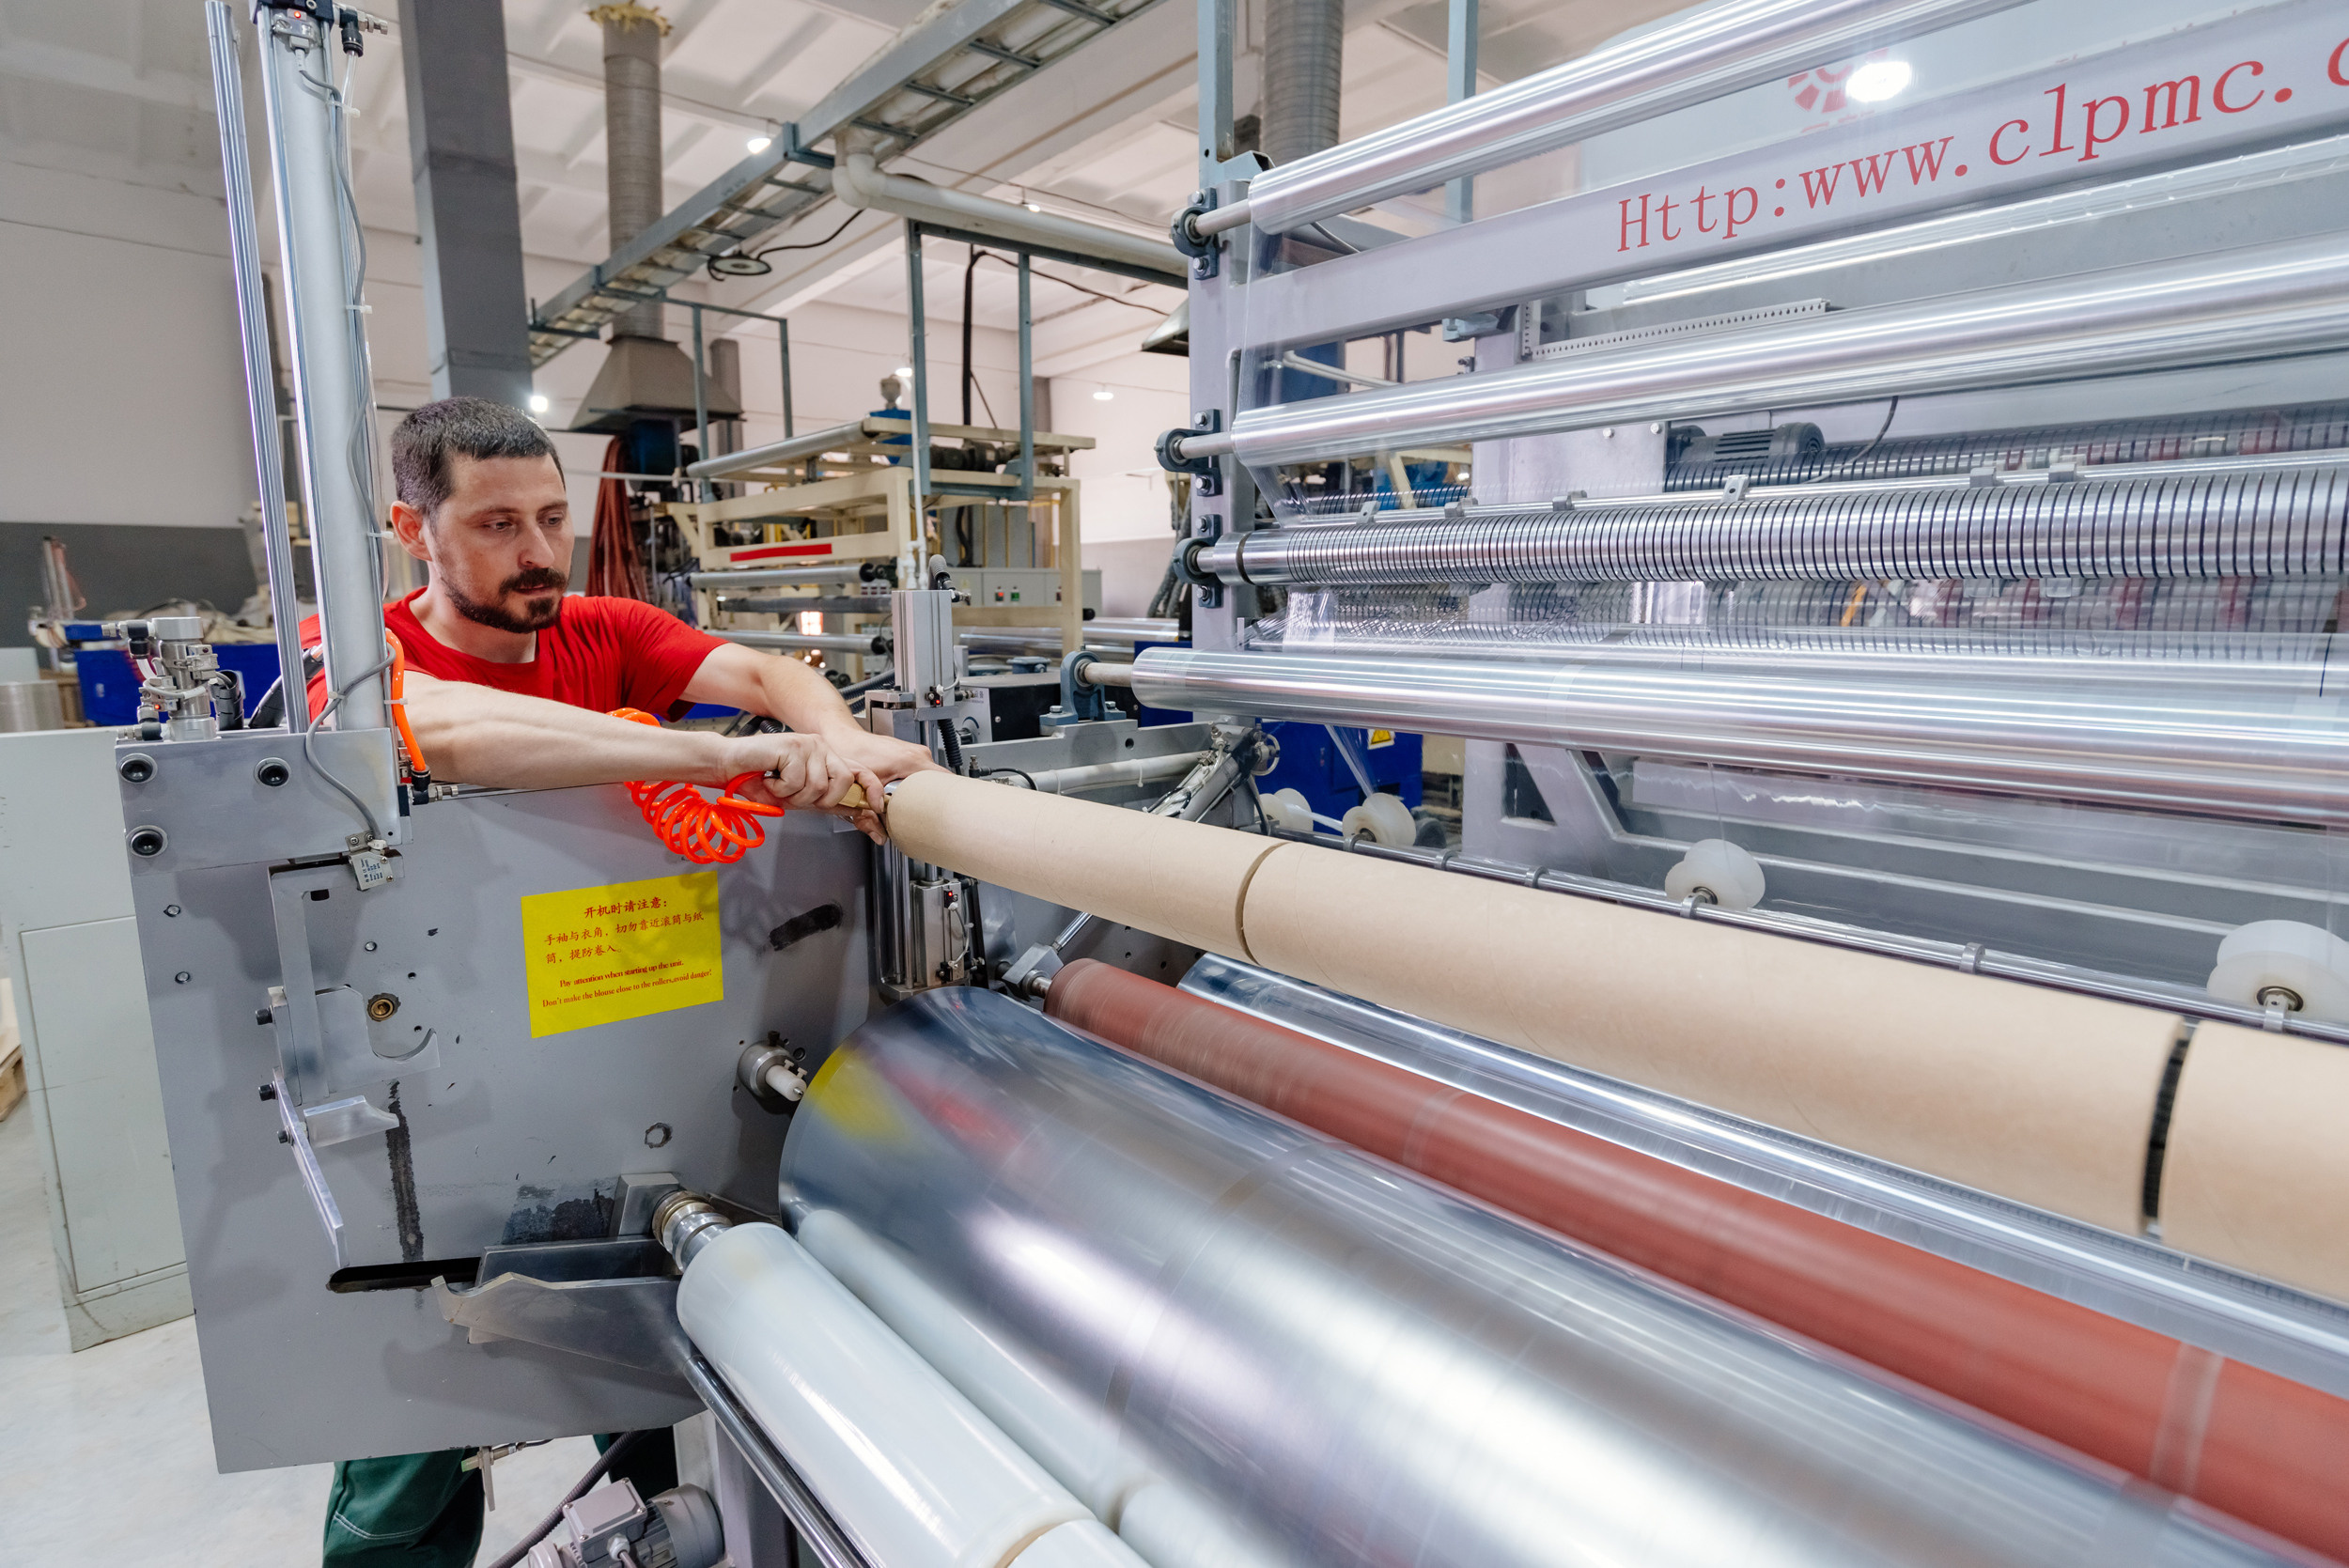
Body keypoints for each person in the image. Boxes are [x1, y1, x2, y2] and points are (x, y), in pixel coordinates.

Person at [315, 396, 935, 1565]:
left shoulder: (603, 629)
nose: (540, 552)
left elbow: (756, 669)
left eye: (552, 517)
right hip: (444, 1099)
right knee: (411, 1436)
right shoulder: (367, 656)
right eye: (497, 524)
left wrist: (833, 735)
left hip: (611, 1049)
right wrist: (723, 754)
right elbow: (441, 731)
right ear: (414, 529)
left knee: (642, 1373)